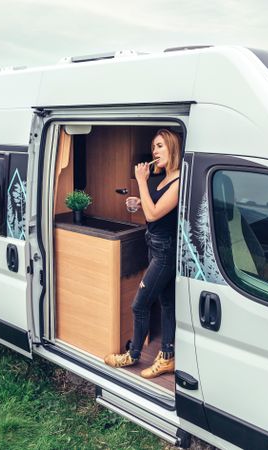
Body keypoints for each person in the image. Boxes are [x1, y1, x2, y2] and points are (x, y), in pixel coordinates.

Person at [104, 129, 181, 379]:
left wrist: (139, 180)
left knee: (140, 304)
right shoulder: (160, 179)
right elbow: (150, 210)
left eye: (159, 146)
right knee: (167, 302)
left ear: (172, 147)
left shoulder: (179, 181)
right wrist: (137, 202)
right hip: (155, 244)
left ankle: (133, 354)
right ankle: (168, 357)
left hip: (166, 249)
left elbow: (154, 214)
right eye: (153, 147)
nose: (154, 152)